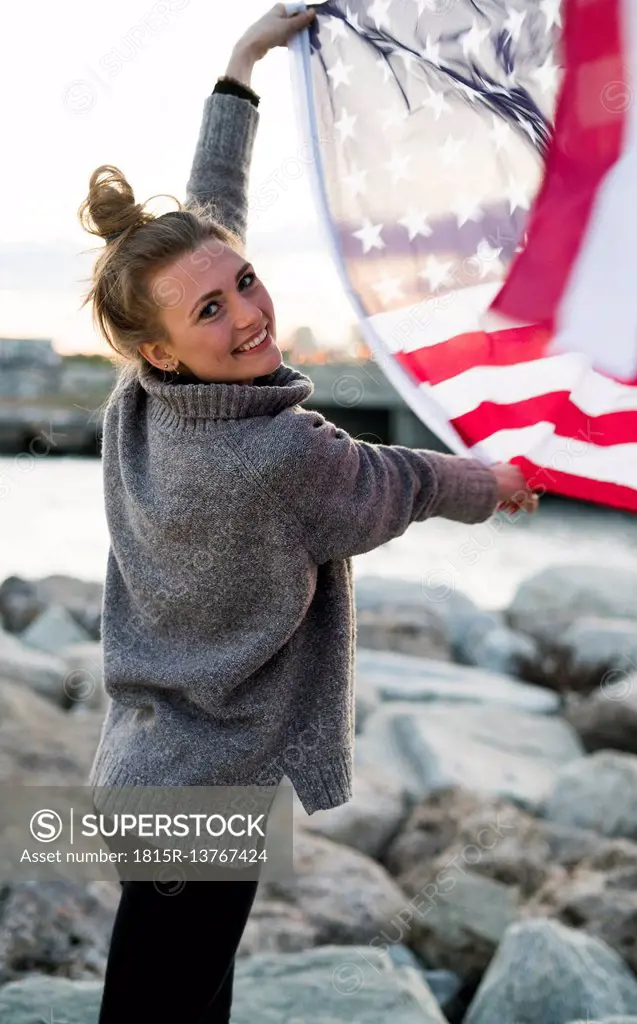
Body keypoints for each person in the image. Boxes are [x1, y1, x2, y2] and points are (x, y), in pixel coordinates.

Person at [78, 5, 539, 1022]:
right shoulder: (277, 455)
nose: (247, 311)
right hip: (205, 787)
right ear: (161, 347)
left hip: (144, 762)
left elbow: (204, 220)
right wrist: (490, 482)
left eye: (244, 281)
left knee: (178, 983)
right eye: (212, 311)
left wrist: (238, 70)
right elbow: (396, 480)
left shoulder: (142, 397)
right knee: (164, 998)